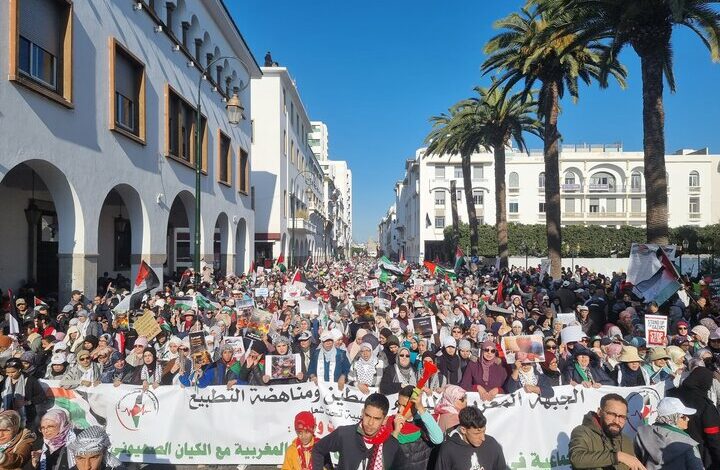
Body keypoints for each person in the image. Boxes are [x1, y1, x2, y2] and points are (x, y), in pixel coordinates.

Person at [311, 393, 400, 470]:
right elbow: (318, 450)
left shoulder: (391, 444)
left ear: (384, 420)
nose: (370, 423)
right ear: (362, 413)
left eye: (376, 419)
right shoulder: (345, 434)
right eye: (367, 416)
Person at [568, 393, 644, 470]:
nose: (617, 421)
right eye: (611, 414)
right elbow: (576, 459)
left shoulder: (626, 441)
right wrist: (618, 456)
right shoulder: (582, 432)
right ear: (599, 412)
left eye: (622, 417)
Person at [667, 366, 720, 468]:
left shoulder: (672, 394)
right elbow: (713, 437)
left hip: (673, 450)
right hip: (700, 454)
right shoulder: (706, 406)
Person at [633, 397, 703, 470]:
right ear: (673, 418)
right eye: (683, 416)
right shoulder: (687, 443)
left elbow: (636, 463)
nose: (688, 419)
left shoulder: (642, 434)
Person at [387, 385, 444, 470]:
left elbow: (438, 439)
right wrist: (396, 431)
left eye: (405, 406)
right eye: (398, 404)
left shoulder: (424, 421)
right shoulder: (391, 421)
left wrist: (420, 407)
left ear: (415, 405)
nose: (400, 409)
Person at [433, 406, 507, 470]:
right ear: (463, 430)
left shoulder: (491, 444)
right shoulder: (448, 449)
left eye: (483, 431)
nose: (483, 438)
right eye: (476, 433)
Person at [0, 358, 46, 426]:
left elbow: (41, 396)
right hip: (8, 416)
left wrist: (28, 402)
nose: (10, 375)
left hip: (27, 414)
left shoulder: (30, 380)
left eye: (13, 372)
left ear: (19, 369)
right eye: (8, 372)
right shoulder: (5, 380)